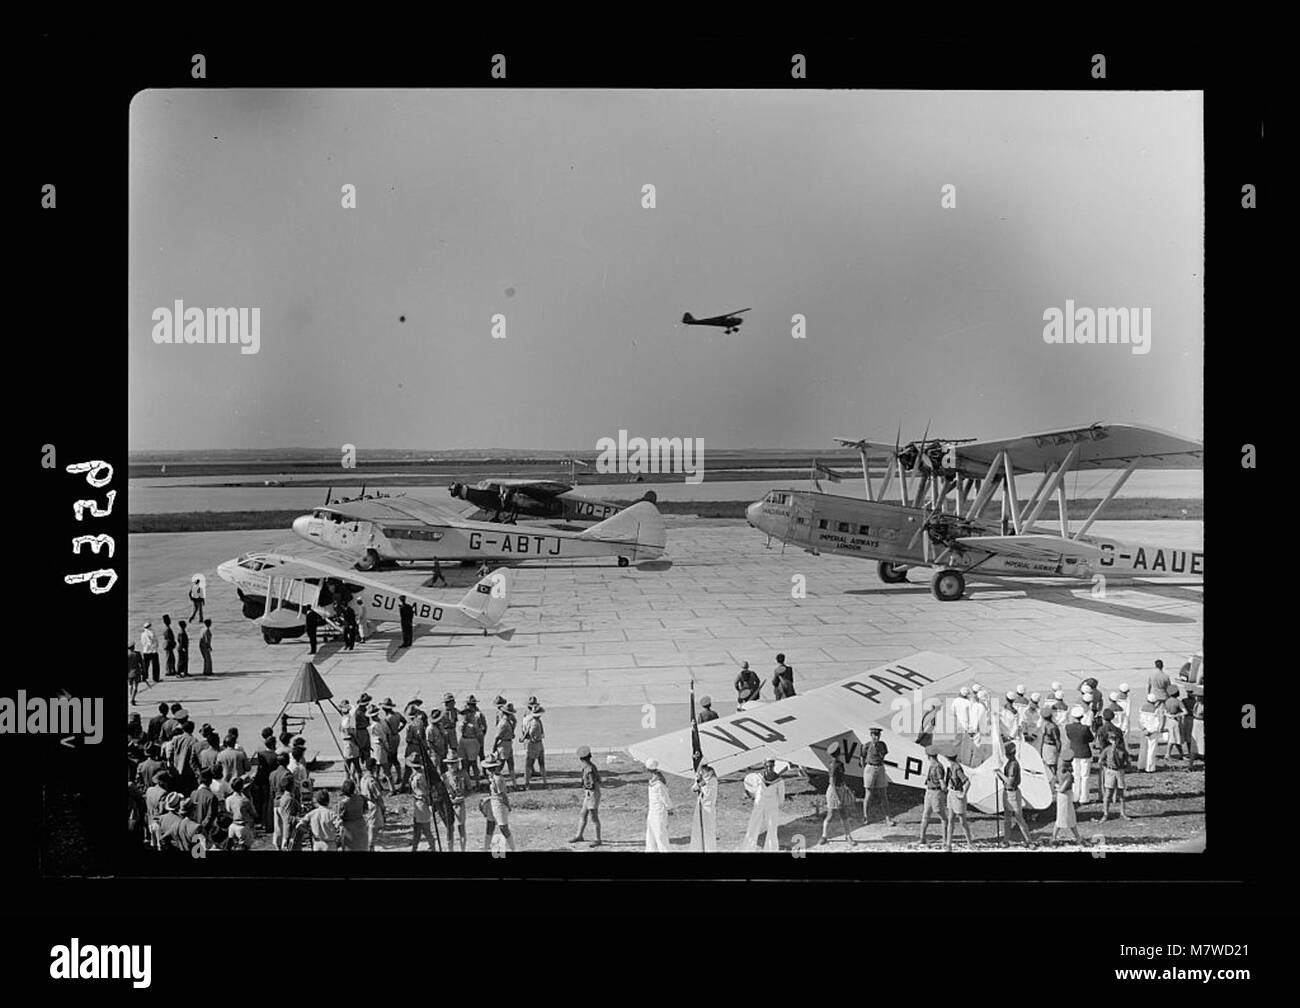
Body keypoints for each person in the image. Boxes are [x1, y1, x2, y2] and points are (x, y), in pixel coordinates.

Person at [997, 742, 1036, 848]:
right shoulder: (1009, 763)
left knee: (1019, 818)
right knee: (1007, 818)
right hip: (1007, 792)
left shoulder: (1013, 765)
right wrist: (999, 774)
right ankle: (1005, 840)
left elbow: (1010, 781)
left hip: (1013, 793)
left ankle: (1029, 841)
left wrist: (999, 772)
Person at [743, 759, 785, 851]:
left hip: (772, 805)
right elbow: (750, 786)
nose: (769, 768)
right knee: (753, 825)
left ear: (774, 766)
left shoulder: (779, 780)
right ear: (764, 766)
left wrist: (778, 804)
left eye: (771, 766)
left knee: (772, 828)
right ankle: (748, 848)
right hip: (759, 804)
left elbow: (781, 796)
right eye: (767, 766)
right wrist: (752, 796)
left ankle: (771, 849)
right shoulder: (758, 777)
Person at [819, 741, 855, 846]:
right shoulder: (835, 765)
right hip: (834, 791)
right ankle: (846, 836)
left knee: (834, 815)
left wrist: (845, 788)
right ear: (839, 753)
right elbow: (832, 782)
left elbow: (839, 780)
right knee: (837, 815)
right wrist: (838, 798)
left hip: (839, 789)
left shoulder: (837, 764)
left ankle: (825, 836)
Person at [861, 727, 894, 826]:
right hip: (870, 768)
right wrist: (865, 769)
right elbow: (862, 757)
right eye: (874, 735)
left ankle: (888, 818)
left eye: (878, 735)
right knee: (868, 794)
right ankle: (866, 817)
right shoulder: (866, 746)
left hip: (880, 768)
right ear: (871, 735)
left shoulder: (882, 745)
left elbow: (882, 755)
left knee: (883, 794)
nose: (876, 737)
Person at [569, 746, 602, 846]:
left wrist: (585, 786)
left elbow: (591, 783)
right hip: (589, 794)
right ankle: (579, 835)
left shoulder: (589, 769)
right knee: (583, 814)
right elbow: (599, 780)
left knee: (594, 817)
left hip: (591, 794)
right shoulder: (590, 767)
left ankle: (598, 839)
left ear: (582, 759)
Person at [483, 756, 515, 852]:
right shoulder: (492, 778)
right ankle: (486, 847)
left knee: (503, 827)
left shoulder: (498, 779)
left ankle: (513, 848)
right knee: (490, 825)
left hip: (499, 803)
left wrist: (507, 805)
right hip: (492, 802)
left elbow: (502, 794)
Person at [917, 745, 947, 846]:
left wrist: (944, 793)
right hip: (930, 791)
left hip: (936, 792)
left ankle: (945, 839)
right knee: (925, 815)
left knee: (941, 815)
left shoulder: (937, 767)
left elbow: (942, 784)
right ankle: (922, 838)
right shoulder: (933, 765)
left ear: (929, 756)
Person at [1064, 707, 1094, 804]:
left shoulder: (1068, 727)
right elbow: (1091, 739)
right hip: (1084, 752)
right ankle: (1084, 797)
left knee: (1075, 775)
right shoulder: (1085, 728)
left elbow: (1069, 737)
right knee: (1085, 776)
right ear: (1081, 717)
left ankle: (1075, 796)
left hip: (1074, 752)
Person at [943, 755, 974, 852]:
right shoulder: (951, 766)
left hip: (957, 795)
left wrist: (963, 794)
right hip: (951, 793)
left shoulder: (956, 768)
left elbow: (967, 782)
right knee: (950, 819)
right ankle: (948, 844)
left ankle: (970, 843)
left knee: (962, 821)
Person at [1100, 733, 1131, 821]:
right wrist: (1106, 768)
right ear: (1109, 740)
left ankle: (1123, 813)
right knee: (1108, 794)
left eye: (1115, 739)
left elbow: (1128, 760)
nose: (1114, 742)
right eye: (1112, 739)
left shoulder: (1122, 750)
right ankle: (1105, 814)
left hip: (1119, 771)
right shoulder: (1107, 750)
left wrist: (1125, 767)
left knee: (1121, 794)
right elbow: (1101, 760)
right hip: (1110, 771)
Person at [441, 753, 470, 851]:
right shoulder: (444, 776)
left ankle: (463, 849)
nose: (452, 765)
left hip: (459, 804)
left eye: (454, 763)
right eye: (449, 763)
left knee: (461, 827)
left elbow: (469, 789)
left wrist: (463, 796)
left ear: (458, 763)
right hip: (448, 805)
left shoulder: (463, 774)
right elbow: (441, 792)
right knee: (449, 829)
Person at [644, 758, 674, 852]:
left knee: (661, 836)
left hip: (659, 812)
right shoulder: (654, 781)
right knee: (651, 836)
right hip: (653, 811)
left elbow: (664, 797)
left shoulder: (658, 784)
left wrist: (669, 808)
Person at [690, 761, 719, 852]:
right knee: (699, 830)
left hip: (708, 808)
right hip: (701, 807)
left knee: (709, 831)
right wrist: (697, 782)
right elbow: (694, 788)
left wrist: (700, 782)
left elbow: (707, 793)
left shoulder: (712, 780)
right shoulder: (703, 777)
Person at [1052, 765, 1083, 845]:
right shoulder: (1069, 775)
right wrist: (1059, 788)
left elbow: (1054, 782)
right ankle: (1054, 837)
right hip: (1066, 796)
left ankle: (1054, 837)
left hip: (1062, 796)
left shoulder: (1059, 771)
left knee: (1065, 817)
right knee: (1066, 817)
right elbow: (1062, 789)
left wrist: (1056, 788)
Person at [410, 762, 438, 851]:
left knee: (425, 829)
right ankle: (414, 848)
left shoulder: (420, 777)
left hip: (422, 803)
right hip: (417, 803)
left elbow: (425, 791)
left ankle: (433, 847)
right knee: (417, 829)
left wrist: (430, 803)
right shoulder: (415, 776)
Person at [519, 702, 547, 789]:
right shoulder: (537, 722)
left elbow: (528, 731)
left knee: (528, 764)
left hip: (532, 744)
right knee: (541, 763)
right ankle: (544, 781)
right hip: (538, 743)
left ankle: (527, 783)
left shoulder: (532, 722)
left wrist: (524, 738)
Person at [337, 778, 369, 851]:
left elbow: (339, 817)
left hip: (349, 830)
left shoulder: (343, 803)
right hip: (361, 827)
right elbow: (365, 809)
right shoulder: (361, 798)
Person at [493, 703, 518, 789]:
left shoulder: (507, 722)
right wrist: (494, 748)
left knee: (511, 764)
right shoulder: (503, 723)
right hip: (503, 745)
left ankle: (514, 784)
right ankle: (495, 783)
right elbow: (497, 736)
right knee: (500, 765)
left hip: (508, 743)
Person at [1139, 692, 1165, 772]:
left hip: (1144, 730)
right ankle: (1149, 768)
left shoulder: (1142, 708)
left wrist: (1144, 729)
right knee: (1151, 750)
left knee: (1143, 749)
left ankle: (1141, 766)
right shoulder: (1155, 710)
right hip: (1152, 732)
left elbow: (1140, 721)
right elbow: (1157, 723)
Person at [274, 777, 301, 850]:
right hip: (291, 832)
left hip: (287, 830)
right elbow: (288, 818)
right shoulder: (289, 799)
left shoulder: (285, 797)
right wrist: (299, 819)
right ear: (291, 786)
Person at [338, 701, 361, 782]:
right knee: (353, 766)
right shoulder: (346, 718)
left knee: (350, 766)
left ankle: (351, 782)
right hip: (348, 744)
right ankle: (352, 781)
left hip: (349, 744)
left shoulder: (347, 720)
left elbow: (351, 733)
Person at [458, 707, 482, 782]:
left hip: (472, 741)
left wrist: (480, 743)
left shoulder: (474, 723)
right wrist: (464, 724)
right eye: (464, 714)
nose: (466, 715)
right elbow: (461, 730)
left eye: (468, 713)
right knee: (464, 762)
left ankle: (477, 780)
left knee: (473, 762)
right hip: (463, 740)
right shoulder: (462, 723)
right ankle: (466, 780)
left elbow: (478, 734)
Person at [951, 687, 973, 764]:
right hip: (966, 725)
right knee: (966, 745)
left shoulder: (956, 700)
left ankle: (953, 756)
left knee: (957, 742)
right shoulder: (969, 703)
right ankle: (963, 760)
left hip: (958, 723)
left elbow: (953, 712)